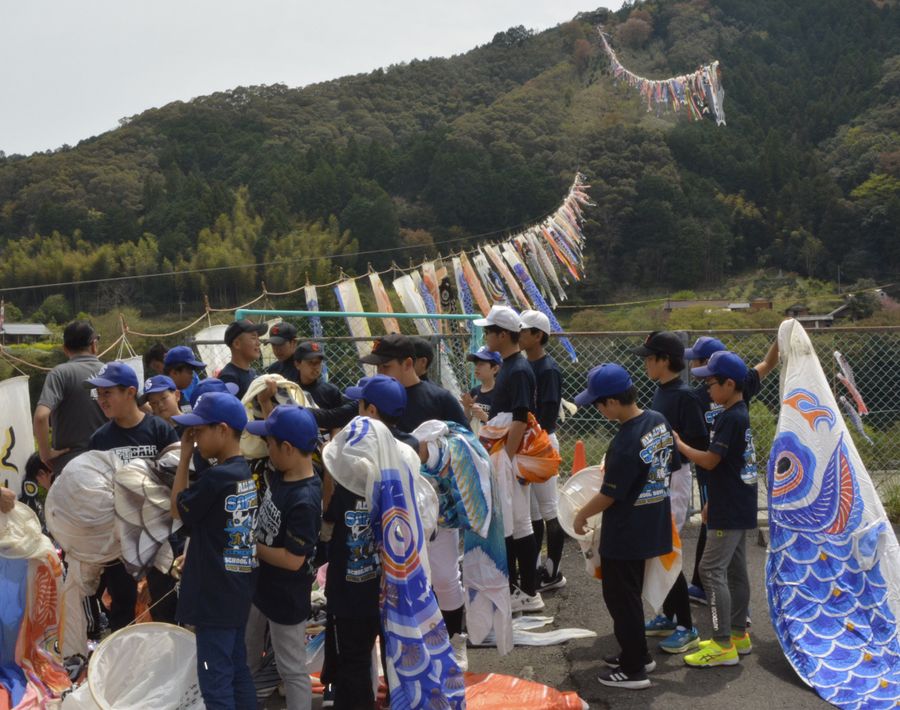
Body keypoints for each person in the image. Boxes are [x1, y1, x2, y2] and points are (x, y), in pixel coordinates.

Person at [360, 334, 470, 667]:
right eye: (377, 367)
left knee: (445, 575)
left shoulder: (438, 398)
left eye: (387, 366)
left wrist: (432, 453)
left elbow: (466, 447)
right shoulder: (372, 399)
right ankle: (410, 643)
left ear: (410, 364)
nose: (381, 372)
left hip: (436, 505)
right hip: (391, 504)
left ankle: (455, 640)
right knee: (398, 578)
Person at [572, 364, 674, 690]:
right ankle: (638, 654)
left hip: (626, 532)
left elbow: (608, 495)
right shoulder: (657, 421)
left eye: (598, 404)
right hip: (651, 523)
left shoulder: (626, 441)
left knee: (621, 599)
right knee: (630, 594)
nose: (598, 410)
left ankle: (634, 669)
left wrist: (580, 515)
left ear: (612, 402)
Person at [171, 392, 259, 710]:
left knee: (214, 677)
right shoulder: (243, 473)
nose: (193, 438)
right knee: (236, 670)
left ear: (222, 430)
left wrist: (183, 459)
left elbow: (177, 509)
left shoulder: (217, 478)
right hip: (236, 588)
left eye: (198, 431)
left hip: (213, 595)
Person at [675, 351, 758, 668]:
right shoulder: (739, 412)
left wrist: (680, 445)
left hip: (730, 506)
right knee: (736, 571)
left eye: (711, 383)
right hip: (738, 502)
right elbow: (729, 466)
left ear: (729, 383)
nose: (707, 389)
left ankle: (722, 643)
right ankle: (738, 635)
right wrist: (711, 501)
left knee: (710, 570)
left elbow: (711, 461)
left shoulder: (730, 417)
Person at [684, 335, 778, 606]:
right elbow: (769, 363)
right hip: (729, 469)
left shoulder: (716, 391)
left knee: (714, 536)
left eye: (699, 363)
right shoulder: (732, 387)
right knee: (722, 538)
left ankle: (715, 604)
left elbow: (768, 363)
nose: (696, 369)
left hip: (715, 465)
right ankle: (734, 613)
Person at [86, 361, 180, 630]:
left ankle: (168, 663)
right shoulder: (100, 440)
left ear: (130, 392)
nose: (102, 400)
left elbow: (177, 476)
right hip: (120, 542)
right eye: (99, 394)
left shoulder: (159, 430)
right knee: (122, 607)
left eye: (108, 393)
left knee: (165, 605)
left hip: (161, 535)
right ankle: (125, 667)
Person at [632, 331, 708, 654]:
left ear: (665, 361)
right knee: (657, 547)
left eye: (650, 358)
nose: (646, 363)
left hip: (676, 478)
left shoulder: (685, 396)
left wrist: (679, 443)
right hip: (660, 476)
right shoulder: (661, 391)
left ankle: (686, 626)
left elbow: (701, 443)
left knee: (667, 549)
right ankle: (668, 615)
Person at [244, 405, 322, 710]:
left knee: (292, 669)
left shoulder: (304, 499)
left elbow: (293, 560)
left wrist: (250, 546)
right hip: (263, 588)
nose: (266, 448)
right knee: (248, 656)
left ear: (287, 448)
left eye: (269, 443)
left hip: (287, 599)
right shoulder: (283, 473)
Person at [474, 305, 542, 613]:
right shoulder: (511, 366)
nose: (485, 335)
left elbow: (520, 418)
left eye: (488, 331)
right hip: (506, 452)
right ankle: (524, 588)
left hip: (510, 454)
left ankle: (528, 591)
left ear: (503, 334)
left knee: (519, 523)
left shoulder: (517, 369)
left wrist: (508, 458)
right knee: (518, 523)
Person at [519, 310, 566, 593]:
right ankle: (535, 567)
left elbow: (547, 418)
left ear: (538, 335)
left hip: (543, 443)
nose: (520, 335)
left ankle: (554, 571)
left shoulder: (548, 369)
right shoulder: (526, 365)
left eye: (524, 331)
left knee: (549, 511)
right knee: (533, 512)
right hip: (529, 444)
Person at [33, 320, 106, 475]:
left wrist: (45, 454)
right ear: (94, 345)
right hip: (108, 462)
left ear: (65, 349)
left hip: (70, 466)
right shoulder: (111, 371)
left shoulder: (60, 373)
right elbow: (142, 408)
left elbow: (41, 417)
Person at [220, 319, 267, 399]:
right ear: (237, 344)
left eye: (258, 338)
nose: (258, 343)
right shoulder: (229, 377)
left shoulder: (253, 372)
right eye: (253, 338)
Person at [294, 342, 343, 409]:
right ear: (297, 364)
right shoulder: (290, 390)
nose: (315, 367)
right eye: (311, 362)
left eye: (318, 362)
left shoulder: (331, 391)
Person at [460, 346, 501, 425]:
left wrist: (485, 417)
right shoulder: (474, 391)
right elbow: (467, 422)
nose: (476, 368)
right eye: (476, 364)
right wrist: (467, 408)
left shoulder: (501, 394)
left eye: (481, 364)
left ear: (495, 369)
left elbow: (503, 425)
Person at [163, 345, 207, 411]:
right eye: (190, 372)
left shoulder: (181, 393)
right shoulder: (163, 399)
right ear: (174, 373)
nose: (192, 376)